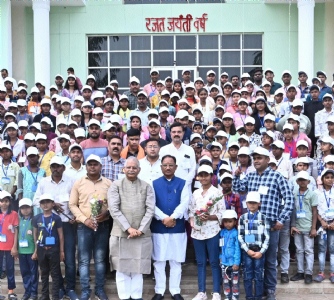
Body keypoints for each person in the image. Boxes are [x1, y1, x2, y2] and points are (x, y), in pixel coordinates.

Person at [233, 147, 294, 300]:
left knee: (270, 260)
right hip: (252, 228)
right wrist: (236, 176)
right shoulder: (250, 176)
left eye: (260, 157)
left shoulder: (277, 177)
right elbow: (237, 189)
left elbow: (289, 200)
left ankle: (270, 290)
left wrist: (281, 219)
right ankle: (255, 292)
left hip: (271, 227)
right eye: (255, 158)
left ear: (268, 159)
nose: (257, 160)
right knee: (251, 259)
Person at [108, 157, 155, 300]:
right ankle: (123, 297)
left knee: (138, 267)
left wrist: (140, 229)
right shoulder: (115, 185)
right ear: (124, 169)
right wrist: (128, 228)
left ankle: (136, 296)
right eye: (128, 167)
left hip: (141, 233)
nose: (131, 170)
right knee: (121, 267)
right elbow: (114, 209)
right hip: (121, 233)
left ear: (139, 170)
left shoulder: (147, 186)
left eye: (134, 168)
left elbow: (150, 210)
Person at [33, 156, 78, 300]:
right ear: (50, 168)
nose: (55, 169)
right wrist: (52, 205)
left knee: (69, 259)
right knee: (53, 259)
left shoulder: (71, 181)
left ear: (63, 168)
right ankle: (58, 288)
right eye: (53, 166)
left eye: (58, 166)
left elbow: (77, 202)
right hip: (49, 226)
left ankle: (70, 288)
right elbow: (35, 201)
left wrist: (75, 216)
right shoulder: (44, 182)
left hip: (67, 224)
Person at [69, 154, 111, 300]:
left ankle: (99, 289)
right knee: (84, 260)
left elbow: (114, 204)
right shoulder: (79, 183)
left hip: (103, 226)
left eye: (95, 164)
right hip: (84, 227)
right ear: (86, 166)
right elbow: (72, 205)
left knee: (100, 259)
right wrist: (84, 219)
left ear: (100, 166)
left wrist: (107, 213)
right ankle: (86, 291)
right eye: (90, 164)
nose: (92, 166)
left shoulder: (108, 183)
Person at [150, 154, 189, 300]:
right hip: (159, 227)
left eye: (170, 165)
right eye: (165, 165)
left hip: (177, 227)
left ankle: (175, 290)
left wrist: (172, 217)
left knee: (176, 260)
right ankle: (159, 291)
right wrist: (164, 218)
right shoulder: (153, 183)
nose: (168, 167)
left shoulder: (183, 183)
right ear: (161, 167)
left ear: (176, 167)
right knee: (159, 260)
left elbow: (185, 203)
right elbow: (151, 205)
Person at [189, 165, 225, 300]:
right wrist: (192, 222)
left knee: (214, 261)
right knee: (200, 262)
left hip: (212, 230)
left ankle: (216, 292)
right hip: (198, 231)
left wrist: (209, 217)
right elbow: (191, 210)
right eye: (201, 175)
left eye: (206, 175)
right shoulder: (196, 193)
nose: (203, 178)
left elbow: (222, 213)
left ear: (211, 176)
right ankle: (201, 292)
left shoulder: (217, 192)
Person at [238, 191, 270, 300]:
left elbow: (267, 237)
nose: (252, 205)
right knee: (247, 275)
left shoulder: (264, 218)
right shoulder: (242, 218)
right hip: (247, 252)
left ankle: (258, 297)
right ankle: (249, 297)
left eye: (254, 202)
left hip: (259, 251)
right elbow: (240, 236)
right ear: (246, 203)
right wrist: (247, 250)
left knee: (259, 275)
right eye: (249, 202)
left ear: (259, 203)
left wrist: (261, 252)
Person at [31, 193, 64, 300]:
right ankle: (45, 296)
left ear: (52, 203)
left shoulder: (56, 218)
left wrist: (61, 251)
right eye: (43, 203)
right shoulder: (36, 218)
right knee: (44, 274)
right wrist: (36, 250)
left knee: (55, 274)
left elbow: (61, 235)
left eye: (48, 202)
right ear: (40, 205)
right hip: (41, 250)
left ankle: (55, 296)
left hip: (53, 249)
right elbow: (35, 234)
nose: (45, 205)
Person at [289, 171, 317, 284]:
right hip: (297, 227)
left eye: (304, 180)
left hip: (309, 226)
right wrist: (292, 225)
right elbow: (292, 211)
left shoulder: (312, 194)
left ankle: (309, 273)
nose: (302, 182)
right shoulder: (294, 193)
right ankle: (300, 272)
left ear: (308, 181)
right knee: (299, 250)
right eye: (300, 180)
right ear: (296, 181)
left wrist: (313, 228)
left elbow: (315, 212)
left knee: (309, 251)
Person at [160, 122, 196, 196]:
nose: (176, 134)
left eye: (179, 132)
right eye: (174, 132)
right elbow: (160, 168)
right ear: (170, 133)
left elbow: (193, 169)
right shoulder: (163, 150)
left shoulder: (189, 150)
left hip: (185, 187)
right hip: (168, 187)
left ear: (183, 133)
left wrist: (184, 183)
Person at [314, 168, 334, 283]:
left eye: (331, 177)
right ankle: (321, 272)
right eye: (327, 177)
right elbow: (315, 209)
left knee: (332, 249)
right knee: (321, 249)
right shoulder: (317, 192)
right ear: (322, 179)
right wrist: (321, 221)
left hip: (333, 225)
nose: (330, 179)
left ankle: (332, 272)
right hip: (322, 226)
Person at [17, 198, 38, 300]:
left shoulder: (34, 220)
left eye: (27, 207)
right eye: (23, 208)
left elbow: (36, 237)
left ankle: (34, 293)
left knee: (33, 273)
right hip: (21, 251)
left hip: (31, 252)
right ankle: (27, 292)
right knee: (24, 272)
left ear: (32, 208)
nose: (25, 210)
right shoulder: (19, 221)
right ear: (20, 209)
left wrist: (36, 251)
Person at [0, 191, 19, 300]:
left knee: (10, 269)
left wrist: (14, 247)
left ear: (10, 202)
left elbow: (16, 231)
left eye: (6, 201)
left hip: (9, 247)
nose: (4, 203)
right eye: (2, 201)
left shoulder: (14, 214)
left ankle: (11, 291)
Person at [220, 210, 241, 300]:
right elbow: (221, 247)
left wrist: (236, 262)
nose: (227, 224)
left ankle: (235, 297)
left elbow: (237, 249)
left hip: (233, 263)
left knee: (235, 282)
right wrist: (220, 258)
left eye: (230, 221)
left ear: (235, 221)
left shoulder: (236, 233)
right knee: (225, 281)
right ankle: (227, 297)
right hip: (224, 262)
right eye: (225, 221)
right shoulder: (222, 233)